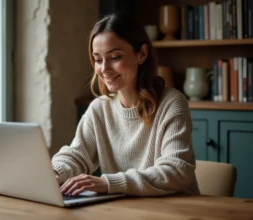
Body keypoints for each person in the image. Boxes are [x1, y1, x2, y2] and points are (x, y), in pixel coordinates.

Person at [51, 13, 200, 197]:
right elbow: (77, 155)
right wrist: (55, 172)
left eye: (114, 57)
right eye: (98, 59)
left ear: (142, 54)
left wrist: (107, 183)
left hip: (175, 210)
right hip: (126, 210)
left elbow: (177, 171)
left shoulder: (172, 103)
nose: (104, 69)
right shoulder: (99, 108)